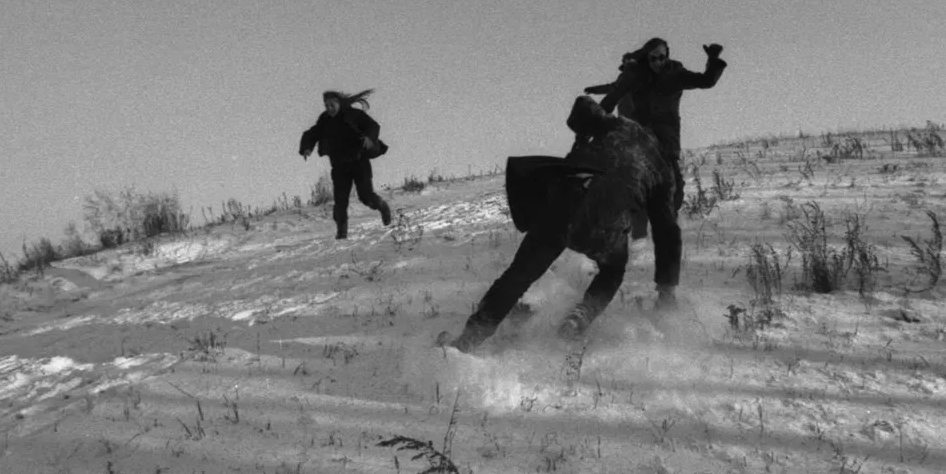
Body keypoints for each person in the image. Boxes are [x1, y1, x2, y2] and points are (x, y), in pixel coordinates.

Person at [446, 95, 682, 354]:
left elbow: (584, 107)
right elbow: (667, 231)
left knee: (519, 274)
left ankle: (468, 340)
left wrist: (582, 136)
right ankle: (579, 318)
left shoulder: (623, 126)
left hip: (566, 203)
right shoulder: (664, 171)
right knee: (612, 271)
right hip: (609, 225)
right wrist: (666, 287)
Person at [584, 38, 727, 229]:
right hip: (639, 139)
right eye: (653, 58)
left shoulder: (675, 73)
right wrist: (594, 122)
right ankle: (625, 225)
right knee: (633, 182)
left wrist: (713, 61)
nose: (658, 62)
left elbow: (706, 81)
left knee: (674, 192)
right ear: (646, 57)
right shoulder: (635, 75)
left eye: (662, 57)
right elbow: (614, 93)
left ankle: (662, 225)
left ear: (667, 55)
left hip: (666, 140)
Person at [299, 89, 393, 238]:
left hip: (359, 162)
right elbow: (312, 133)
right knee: (340, 202)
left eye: (332, 104)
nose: (329, 108)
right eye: (326, 105)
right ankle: (341, 234)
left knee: (365, 196)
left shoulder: (352, 114)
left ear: (339, 103)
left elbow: (373, 125)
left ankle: (382, 206)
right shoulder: (325, 119)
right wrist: (307, 147)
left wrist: (369, 137)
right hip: (339, 166)